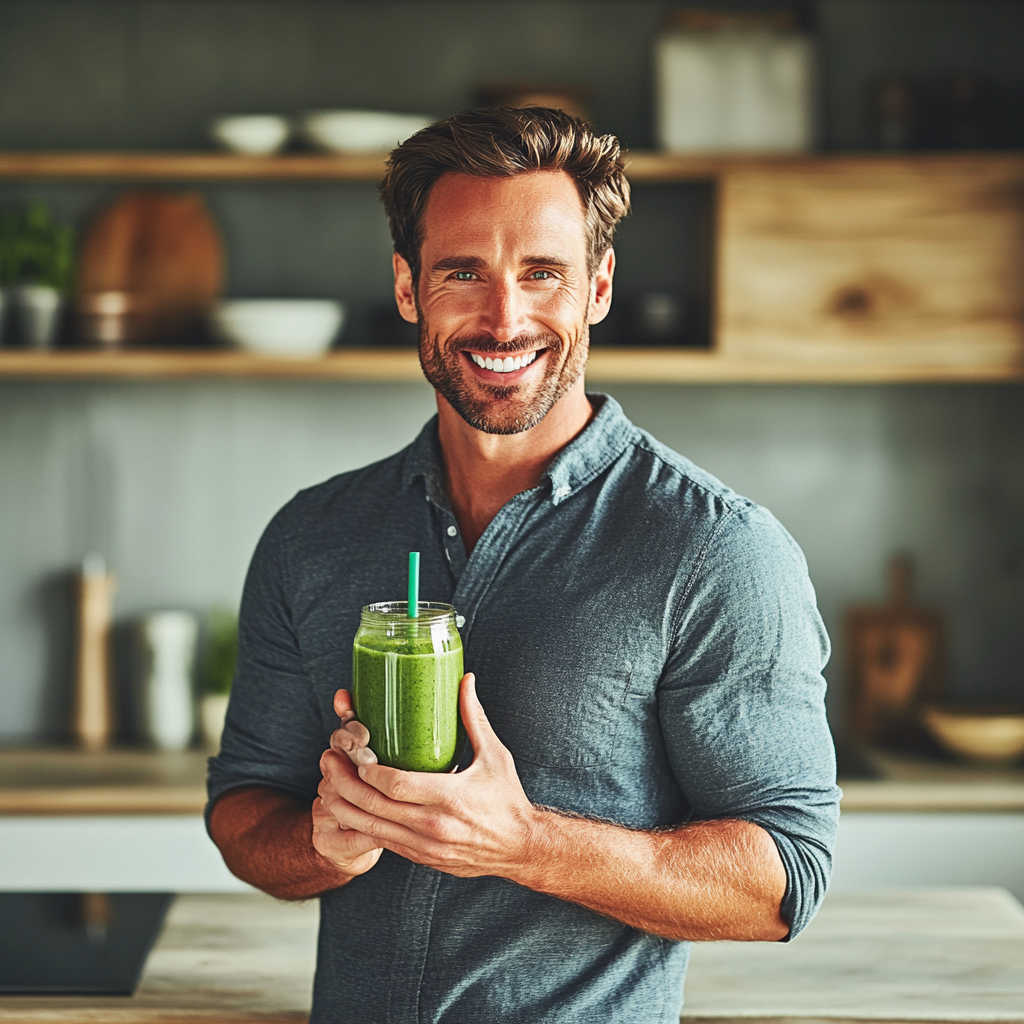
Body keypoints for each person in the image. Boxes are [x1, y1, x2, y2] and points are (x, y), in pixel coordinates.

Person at [207, 106, 840, 1024]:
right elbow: (242, 811)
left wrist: (525, 843)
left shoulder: (715, 551)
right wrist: (324, 840)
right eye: (463, 272)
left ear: (598, 288)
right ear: (407, 287)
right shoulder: (314, 535)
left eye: (543, 273)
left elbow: (787, 877)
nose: (505, 317)